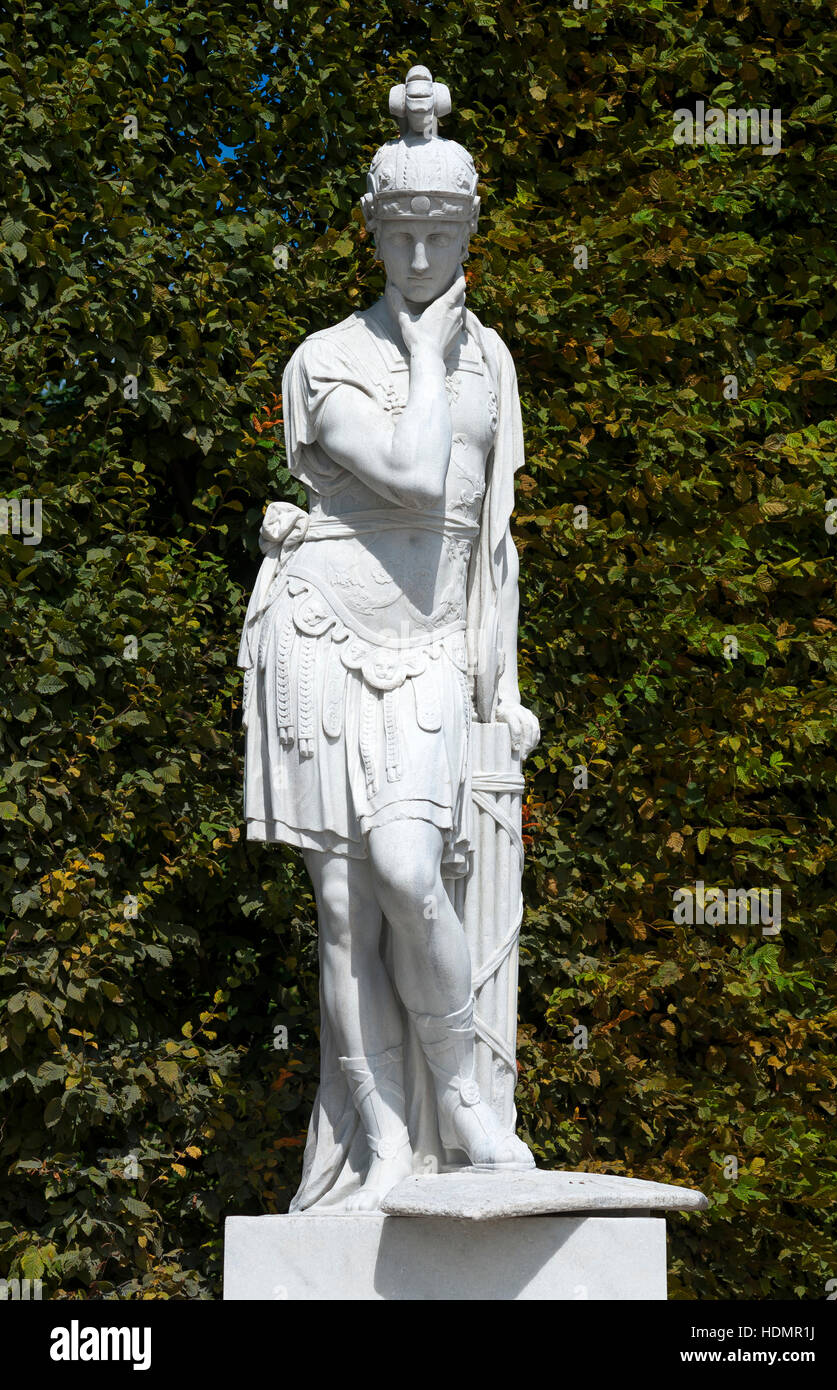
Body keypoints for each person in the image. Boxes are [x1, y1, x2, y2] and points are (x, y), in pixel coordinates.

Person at [239, 66, 539, 1211]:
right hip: (321, 635)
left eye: (440, 235)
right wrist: (420, 352)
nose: (419, 256)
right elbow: (413, 477)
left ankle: (461, 1093)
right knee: (341, 908)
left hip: (425, 655)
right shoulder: (328, 359)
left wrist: (500, 684)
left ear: (467, 229)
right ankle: (378, 1139)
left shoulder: (493, 361)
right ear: (371, 231)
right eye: (401, 235)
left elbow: (488, 545)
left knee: (411, 874)